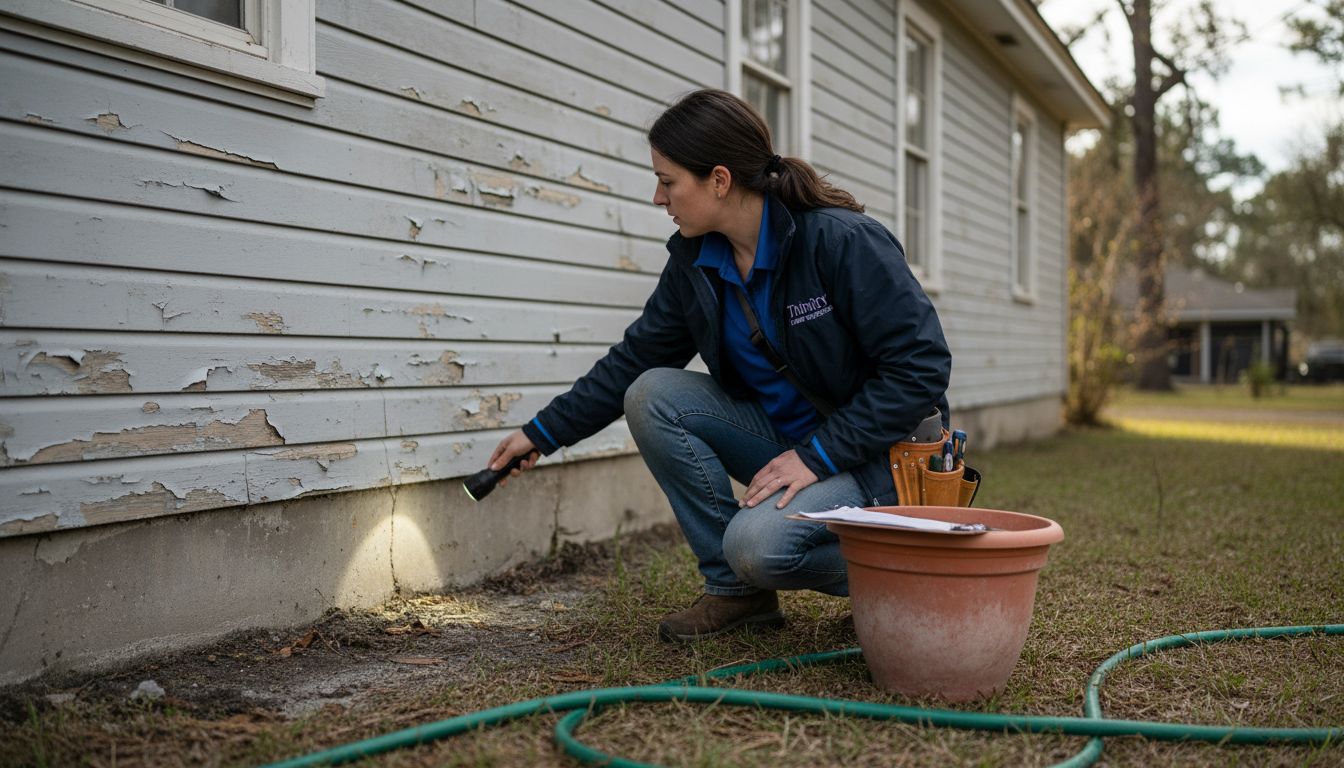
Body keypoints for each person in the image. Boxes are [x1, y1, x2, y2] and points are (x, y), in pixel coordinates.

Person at [488, 89, 951, 641]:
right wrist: (542, 432)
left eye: (668, 180)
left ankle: (907, 570)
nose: (658, 197)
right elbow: (637, 358)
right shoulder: (696, 259)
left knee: (754, 546)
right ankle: (740, 595)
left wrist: (818, 455)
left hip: (880, 455)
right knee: (652, 392)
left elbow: (920, 368)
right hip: (790, 444)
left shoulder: (841, 241)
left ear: (720, 180)